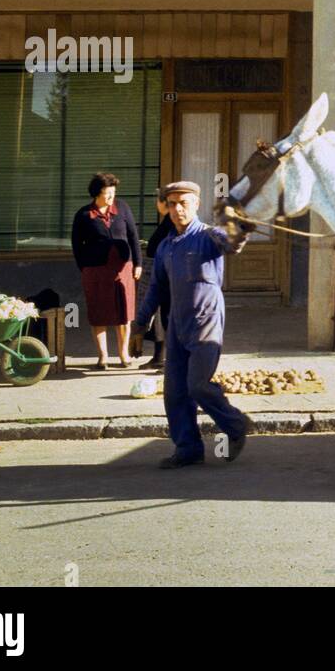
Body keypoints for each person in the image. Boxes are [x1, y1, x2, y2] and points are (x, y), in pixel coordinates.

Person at [132, 181, 255, 469]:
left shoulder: (209, 236)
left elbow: (233, 242)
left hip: (206, 320)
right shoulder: (166, 247)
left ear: (196, 204)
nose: (177, 209)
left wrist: (241, 225)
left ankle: (236, 424)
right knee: (175, 391)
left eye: (183, 203)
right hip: (177, 324)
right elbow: (156, 287)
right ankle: (188, 449)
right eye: (172, 204)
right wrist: (140, 321)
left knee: (198, 385)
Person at [71, 172, 142, 370]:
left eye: (113, 192)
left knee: (124, 313)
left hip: (123, 268)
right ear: (96, 193)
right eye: (107, 193)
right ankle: (103, 356)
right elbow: (76, 245)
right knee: (98, 313)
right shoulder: (84, 215)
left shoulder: (123, 208)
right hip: (96, 271)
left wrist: (138, 263)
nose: (111, 196)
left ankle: (123, 354)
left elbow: (133, 236)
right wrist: (85, 268)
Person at [140, 191, 176, 370]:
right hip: (161, 276)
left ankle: (172, 362)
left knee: (168, 319)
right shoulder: (167, 221)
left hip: (170, 278)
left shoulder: (173, 221)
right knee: (160, 320)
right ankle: (159, 357)